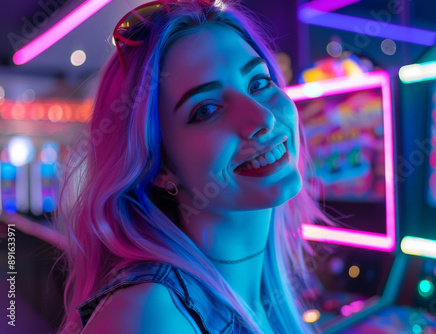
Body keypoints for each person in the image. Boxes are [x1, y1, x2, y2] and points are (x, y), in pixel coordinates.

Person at [5, 0, 340, 333]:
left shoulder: (272, 288)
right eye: (206, 109)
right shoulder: (148, 315)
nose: (263, 118)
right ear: (160, 167)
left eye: (258, 83)